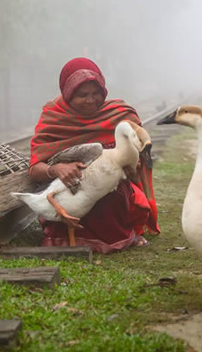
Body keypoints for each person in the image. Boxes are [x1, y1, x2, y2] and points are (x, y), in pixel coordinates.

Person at [27, 57, 159, 253]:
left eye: (97, 93)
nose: (91, 100)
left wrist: (131, 170)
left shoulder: (119, 114)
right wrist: (56, 169)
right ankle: (71, 239)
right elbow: (34, 169)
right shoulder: (53, 118)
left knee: (111, 194)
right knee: (71, 199)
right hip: (67, 190)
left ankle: (119, 235)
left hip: (110, 191)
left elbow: (139, 166)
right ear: (68, 93)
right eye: (83, 94)